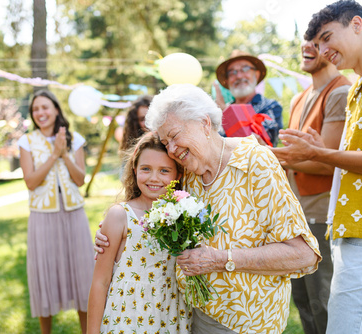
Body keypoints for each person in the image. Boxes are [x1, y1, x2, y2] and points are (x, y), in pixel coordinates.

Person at [95, 83, 321, 334]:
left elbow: (303, 254)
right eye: (165, 141)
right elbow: (149, 207)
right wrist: (110, 236)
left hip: (247, 323)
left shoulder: (255, 163)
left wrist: (222, 259)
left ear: (204, 123)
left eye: (174, 136)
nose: (170, 149)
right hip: (191, 316)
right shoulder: (188, 172)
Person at [271, 1, 362, 333]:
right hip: (349, 225)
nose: (325, 50)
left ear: (357, 24)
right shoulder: (361, 82)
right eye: (318, 45)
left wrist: (318, 154)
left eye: (328, 38)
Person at [87, 132, 192, 333]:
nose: (154, 178)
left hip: (170, 317)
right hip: (128, 318)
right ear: (134, 169)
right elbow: (100, 281)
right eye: (146, 169)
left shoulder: (184, 216)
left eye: (164, 170)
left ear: (178, 174)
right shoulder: (120, 215)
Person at [281, 38, 351, 334]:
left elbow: (327, 162)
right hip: (294, 213)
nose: (306, 47)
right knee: (303, 301)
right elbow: (295, 154)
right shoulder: (299, 98)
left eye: (317, 41)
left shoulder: (341, 92)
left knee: (322, 301)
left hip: (321, 213)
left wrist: (270, 155)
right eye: (304, 42)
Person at [18, 89, 94, 334]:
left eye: (45, 107)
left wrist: (65, 154)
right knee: (45, 277)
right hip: (43, 217)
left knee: (82, 277)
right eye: (36, 109)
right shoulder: (26, 142)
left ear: (56, 110)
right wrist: (53, 155)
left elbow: (80, 179)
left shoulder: (76, 139)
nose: (41, 113)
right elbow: (31, 181)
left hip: (74, 215)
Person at [214, 50, 284, 146]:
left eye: (245, 69)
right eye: (232, 72)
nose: (238, 76)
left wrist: (226, 112)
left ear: (256, 74)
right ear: (227, 81)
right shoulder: (217, 115)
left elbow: (258, 144)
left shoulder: (270, 106)